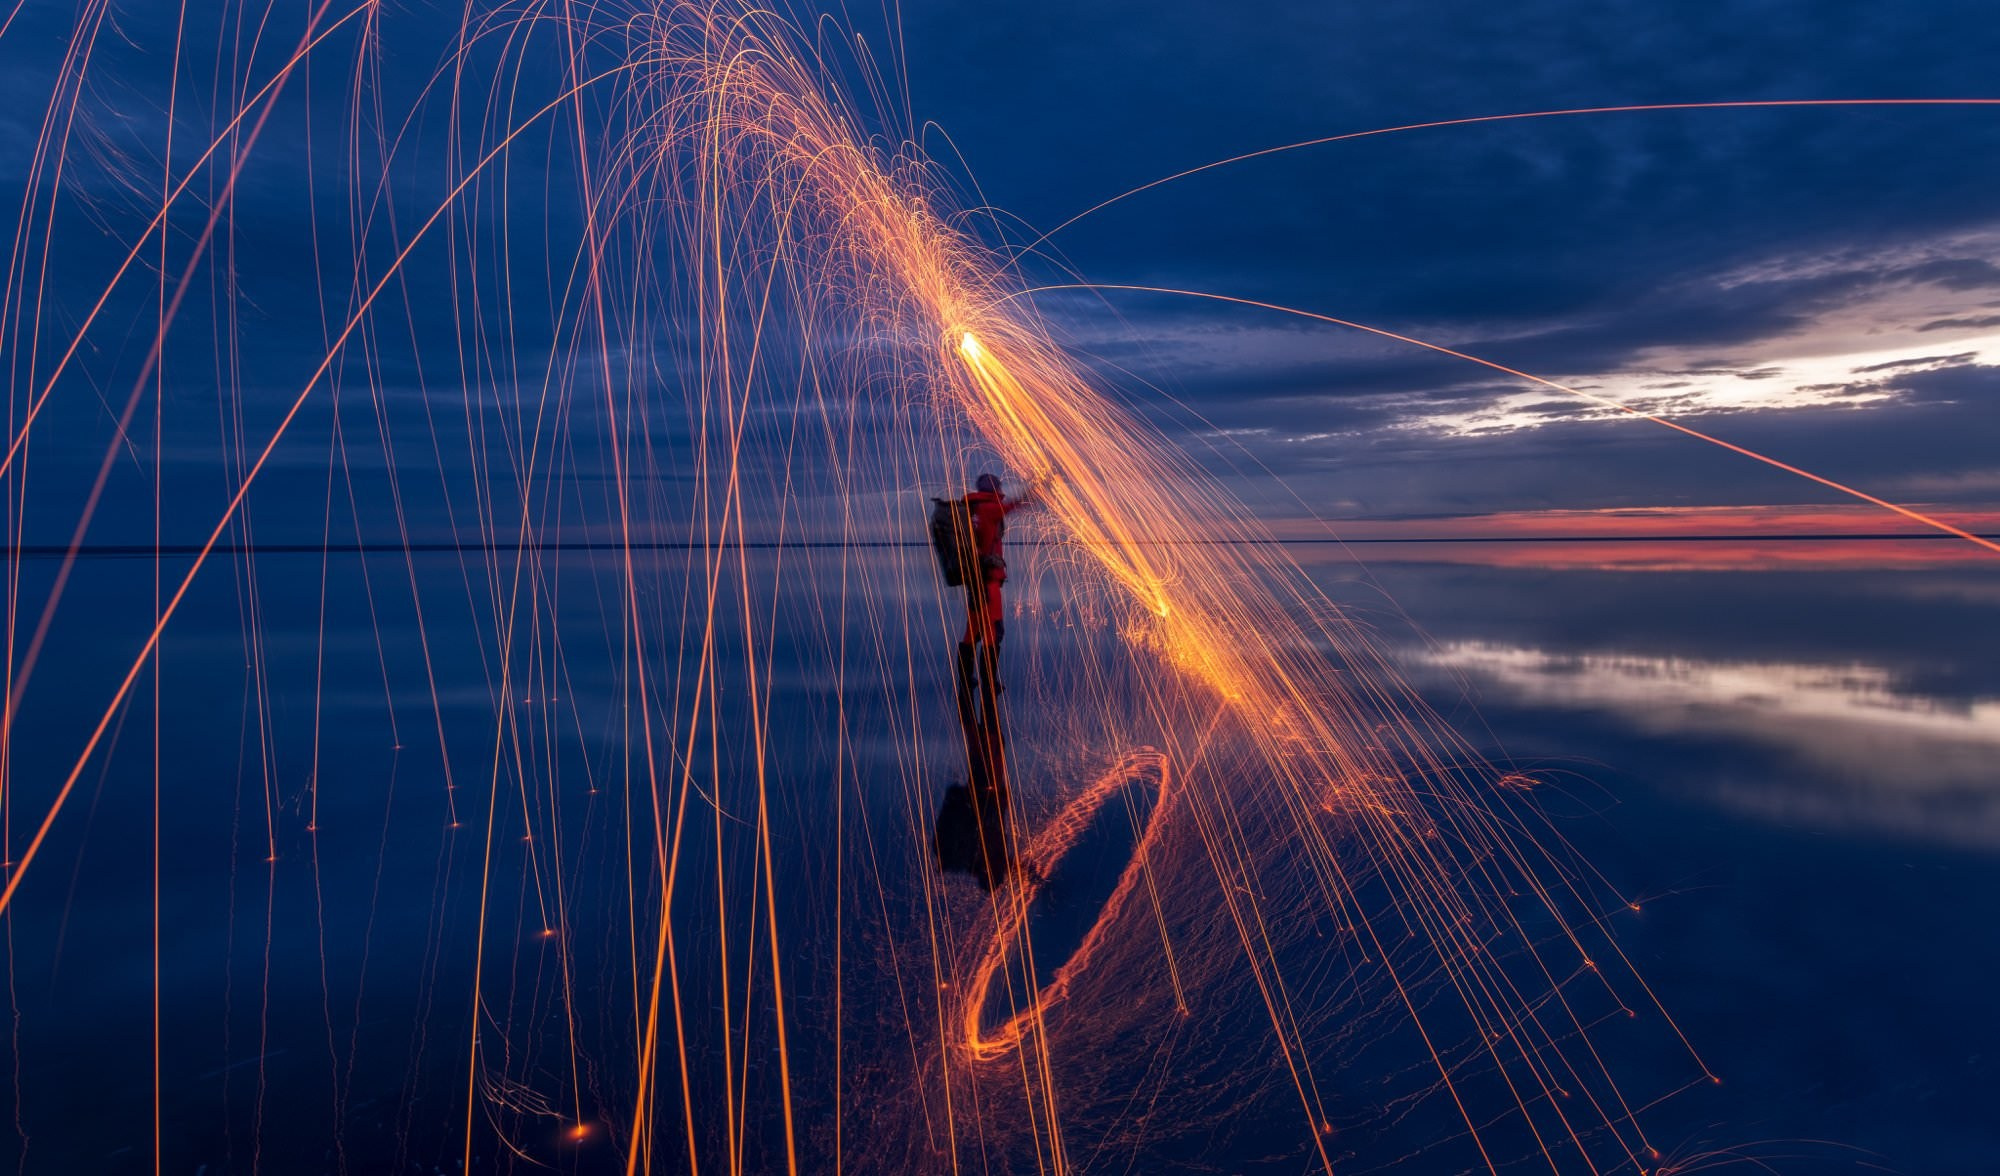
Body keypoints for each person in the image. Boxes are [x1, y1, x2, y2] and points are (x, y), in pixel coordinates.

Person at [957, 471, 1035, 698]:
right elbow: (1016, 505)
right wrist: (1038, 489)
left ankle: (965, 681)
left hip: (974, 578)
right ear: (995, 490)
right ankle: (988, 683)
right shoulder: (990, 509)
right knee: (994, 631)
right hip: (989, 580)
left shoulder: (972, 510)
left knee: (972, 631)